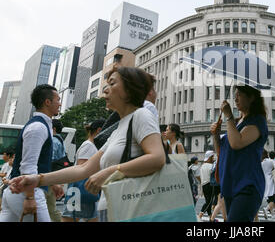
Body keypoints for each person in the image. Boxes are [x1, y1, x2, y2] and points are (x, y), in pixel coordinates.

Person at [7, 67, 166, 222]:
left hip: (132, 211)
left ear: (129, 90)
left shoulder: (141, 115)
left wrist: (110, 171)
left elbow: (157, 158)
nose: (105, 89)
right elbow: (84, 168)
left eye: (112, 83)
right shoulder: (121, 128)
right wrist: (38, 179)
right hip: (112, 210)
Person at [0, 84, 62, 222]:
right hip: (26, 192)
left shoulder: (41, 125)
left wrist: (51, 183)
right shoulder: (38, 127)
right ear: (47, 102)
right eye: (58, 99)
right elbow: (28, 167)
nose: (60, 103)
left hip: (15, 190)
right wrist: (30, 197)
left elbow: (39, 163)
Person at [210, 85, 269, 222]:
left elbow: (237, 143)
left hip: (247, 185)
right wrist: (216, 135)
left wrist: (229, 116)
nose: (235, 98)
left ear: (252, 97)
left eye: (240, 94)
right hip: (230, 185)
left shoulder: (257, 121)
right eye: (235, 94)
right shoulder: (236, 123)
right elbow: (221, 151)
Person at [61, 119, 104, 222]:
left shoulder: (91, 145)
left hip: (85, 191)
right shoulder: (88, 146)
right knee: (70, 217)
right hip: (81, 190)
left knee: (91, 217)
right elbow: (82, 168)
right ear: (99, 130)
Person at [45, 119, 66, 222]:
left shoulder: (53, 141)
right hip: (55, 178)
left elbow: (50, 161)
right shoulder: (60, 141)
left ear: (53, 128)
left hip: (49, 180)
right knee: (51, 208)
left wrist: (52, 182)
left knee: (48, 208)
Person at [261, 149, 275, 219]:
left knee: (269, 199)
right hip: (272, 181)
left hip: (264, 181)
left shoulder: (261, 163)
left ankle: (273, 215)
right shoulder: (271, 161)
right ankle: (266, 209)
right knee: (273, 198)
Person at [198, 150, 215, 221]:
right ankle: (199, 217)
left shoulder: (202, 166)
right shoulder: (212, 166)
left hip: (204, 185)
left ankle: (211, 218)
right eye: (213, 157)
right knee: (209, 202)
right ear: (210, 157)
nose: (213, 158)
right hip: (210, 185)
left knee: (208, 201)